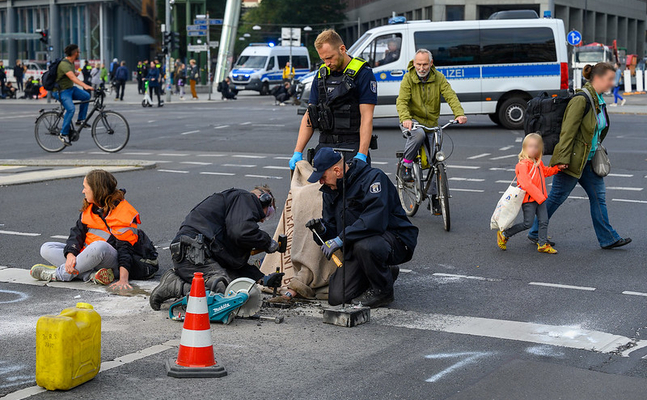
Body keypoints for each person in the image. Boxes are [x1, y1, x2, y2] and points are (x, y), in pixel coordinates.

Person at [528, 63, 632, 250]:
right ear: (598, 78)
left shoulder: (597, 98)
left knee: (598, 197)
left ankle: (607, 238)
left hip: (588, 159)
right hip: (573, 160)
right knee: (556, 197)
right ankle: (535, 231)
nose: (612, 83)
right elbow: (567, 133)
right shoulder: (581, 100)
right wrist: (561, 161)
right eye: (609, 79)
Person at [306, 148, 418, 307]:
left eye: (323, 177)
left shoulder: (373, 178)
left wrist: (340, 239)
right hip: (357, 245)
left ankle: (383, 292)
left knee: (366, 246)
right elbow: (332, 228)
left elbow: (374, 220)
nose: (321, 182)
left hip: (393, 239)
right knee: (337, 297)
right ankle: (383, 272)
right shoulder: (330, 191)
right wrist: (322, 230)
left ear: (337, 171)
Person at [149, 186, 285, 310]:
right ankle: (174, 286)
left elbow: (233, 263)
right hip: (193, 253)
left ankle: (179, 281)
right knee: (222, 289)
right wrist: (267, 242)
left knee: (231, 288)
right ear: (262, 199)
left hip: (194, 255)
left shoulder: (233, 215)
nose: (262, 220)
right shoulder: (244, 198)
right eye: (269, 212)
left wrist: (262, 279)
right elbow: (241, 231)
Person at [30, 170, 157, 291]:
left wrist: (123, 280)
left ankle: (60, 274)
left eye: (85, 187)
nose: (83, 191)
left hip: (118, 262)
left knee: (99, 246)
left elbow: (125, 250)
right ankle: (91, 276)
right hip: (90, 258)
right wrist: (70, 255)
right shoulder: (91, 207)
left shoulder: (123, 211)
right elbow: (76, 234)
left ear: (97, 190)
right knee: (46, 248)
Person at [289, 29, 378, 170]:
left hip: (351, 146)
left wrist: (362, 154)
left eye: (330, 58)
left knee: (353, 191)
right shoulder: (321, 76)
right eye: (323, 59)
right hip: (325, 146)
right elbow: (310, 115)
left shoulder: (363, 74)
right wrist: (297, 152)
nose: (327, 63)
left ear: (342, 49)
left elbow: (367, 117)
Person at [397, 49, 467, 183]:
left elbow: (450, 96)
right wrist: (406, 118)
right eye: (418, 64)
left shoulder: (439, 77)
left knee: (435, 161)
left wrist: (459, 114)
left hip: (431, 123)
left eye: (425, 64)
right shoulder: (408, 78)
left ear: (431, 63)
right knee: (419, 135)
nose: (421, 68)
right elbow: (402, 101)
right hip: (413, 122)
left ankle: (436, 197)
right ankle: (406, 165)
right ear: (414, 63)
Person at [497, 133, 567, 254]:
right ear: (524, 147)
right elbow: (526, 184)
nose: (533, 149)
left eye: (536, 147)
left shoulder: (537, 162)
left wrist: (558, 168)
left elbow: (545, 172)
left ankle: (542, 244)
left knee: (544, 221)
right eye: (530, 146)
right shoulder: (523, 165)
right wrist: (540, 197)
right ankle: (504, 234)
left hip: (540, 199)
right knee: (527, 223)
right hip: (529, 200)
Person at [51, 44, 93, 146]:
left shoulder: (71, 62)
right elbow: (73, 78)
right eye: (79, 52)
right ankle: (63, 134)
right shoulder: (64, 64)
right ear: (75, 53)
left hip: (70, 89)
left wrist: (75, 73)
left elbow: (71, 74)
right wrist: (85, 85)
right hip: (61, 91)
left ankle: (80, 119)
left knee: (86, 96)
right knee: (71, 109)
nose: (79, 53)